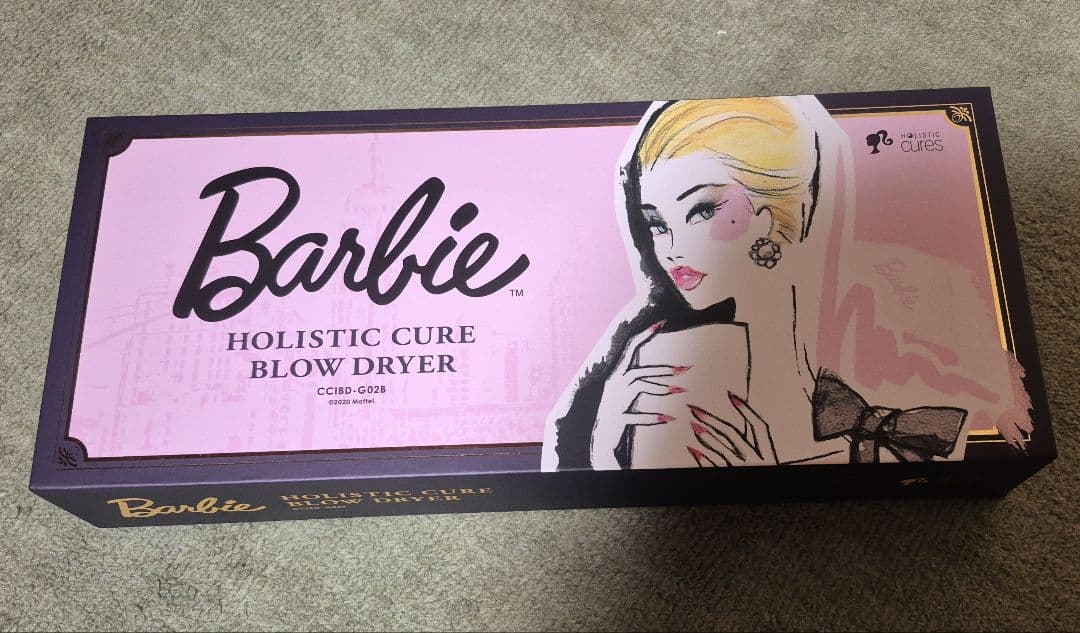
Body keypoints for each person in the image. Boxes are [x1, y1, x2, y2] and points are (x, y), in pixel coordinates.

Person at [542, 96, 980, 471]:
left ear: (778, 214)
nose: (670, 248)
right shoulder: (665, 365)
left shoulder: (876, 349)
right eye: (656, 223)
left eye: (702, 211)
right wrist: (605, 452)